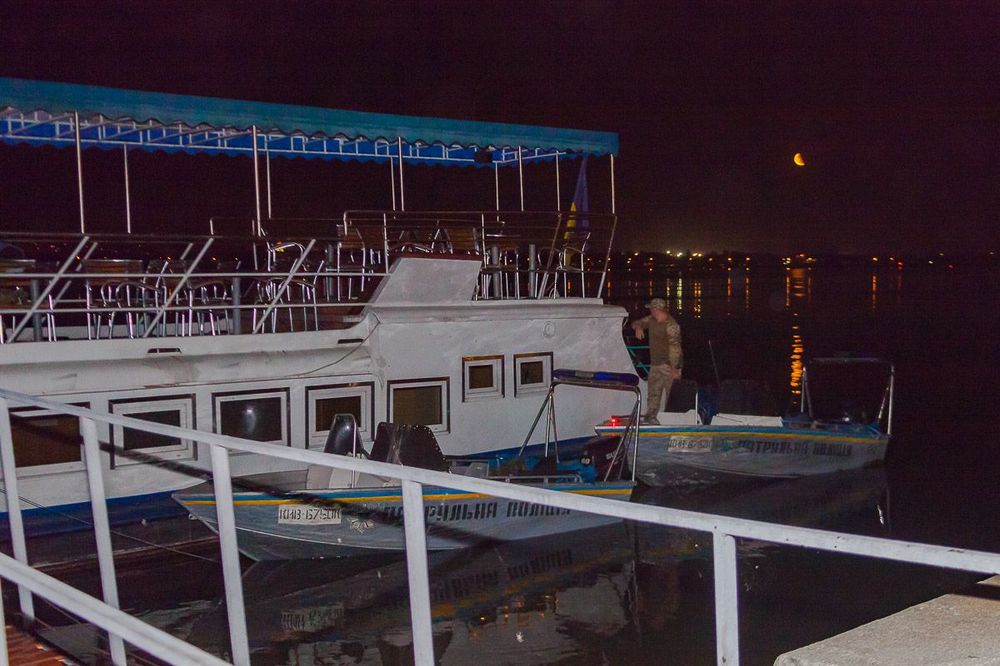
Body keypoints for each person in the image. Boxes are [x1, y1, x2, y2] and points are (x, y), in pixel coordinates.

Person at [631, 298, 682, 425]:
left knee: (672, 395)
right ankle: (651, 417)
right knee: (653, 393)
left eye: (652, 309)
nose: (650, 311)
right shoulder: (651, 320)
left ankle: (672, 421)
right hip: (655, 365)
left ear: (658, 309)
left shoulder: (671, 326)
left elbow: (675, 349)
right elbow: (636, 323)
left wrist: (675, 369)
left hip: (669, 365)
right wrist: (638, 327)